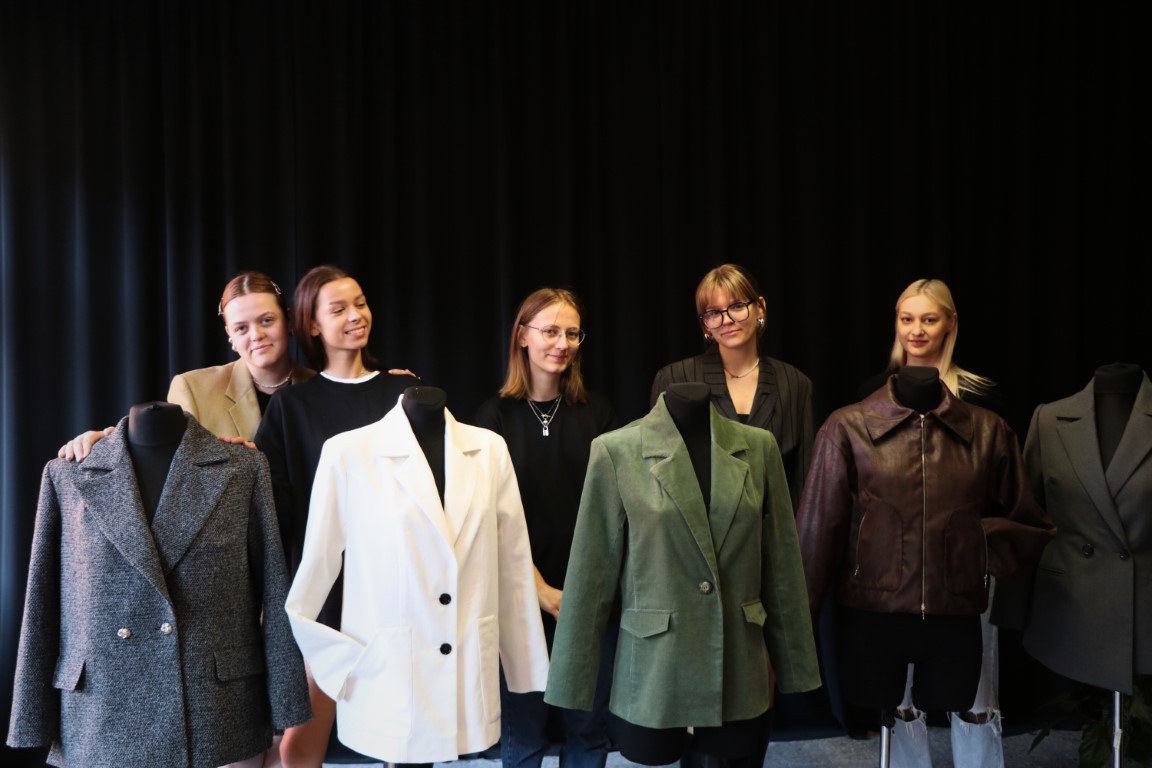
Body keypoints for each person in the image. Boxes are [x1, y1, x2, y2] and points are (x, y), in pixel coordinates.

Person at [544, 382, 820, 766]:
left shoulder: (758, 448)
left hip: (739, 665)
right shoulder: (617, 451)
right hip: (655, 669)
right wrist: (571, 679)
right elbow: (590, 575)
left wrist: (796, 664)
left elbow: (782, 565)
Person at [284, 385, 550, 764]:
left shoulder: (489, 449)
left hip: (465, 660)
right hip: (388, 671)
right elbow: (310, 579)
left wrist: (524, 664)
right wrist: (344, 665)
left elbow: (513, 562)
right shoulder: (349, 453)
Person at [649, 263, 818, 764]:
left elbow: (803, 485)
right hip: (692, 560)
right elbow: (656, 475)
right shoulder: (675, 378)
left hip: (760, 563)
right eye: (713, 312)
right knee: (697, 711)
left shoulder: (794, 384)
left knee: (752, 705)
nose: (726, 320)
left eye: (736, 306)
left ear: (759, 309)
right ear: (703, 323)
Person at [253, 264, 418, 768]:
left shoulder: (403, 395)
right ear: (312, 324)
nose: (356, 316)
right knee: (302, 742)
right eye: (339, 309)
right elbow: (274, 506)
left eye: (361, 303)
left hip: (395, 582)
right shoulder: (291, 406)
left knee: (402, 734)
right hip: (322, 586)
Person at [855, 278, 1005, 768]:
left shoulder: (982, 400)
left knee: (977, 692)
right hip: (893, 569)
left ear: (950, 323)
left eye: (928, 318)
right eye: (907, 318)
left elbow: (1004, 487)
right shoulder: (870, 398)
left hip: (963, 567)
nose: (916, 330)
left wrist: (980, 545)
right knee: (899, 695)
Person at [471, 288, 619, 768]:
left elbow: (613, 510)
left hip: (588, 595)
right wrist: (537, 588)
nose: (562, 343)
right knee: (524, 735)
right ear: (522, 336)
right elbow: (487, 518)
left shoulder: (598, 413)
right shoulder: (492, 417)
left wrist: (581, 591)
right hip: (517, 596)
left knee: (588, 733)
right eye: (551, 331)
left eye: (572, 333)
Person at [57, 270, 315, 460]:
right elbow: (159, 456)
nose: (256, 335)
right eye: (241, 328)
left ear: (289, 320)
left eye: (267, 320)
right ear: (230, 337)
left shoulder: (320, 386)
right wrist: (105, 442)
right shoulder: (193, 389)